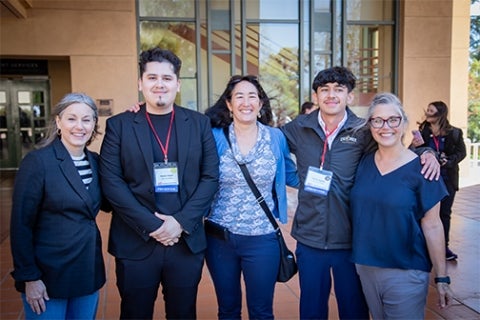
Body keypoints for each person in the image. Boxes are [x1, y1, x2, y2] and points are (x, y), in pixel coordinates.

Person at [280, 66, 440, 320]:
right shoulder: (298, 128)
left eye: (339, 90)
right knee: (311, 310)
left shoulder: (362, 130)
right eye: (325, 90)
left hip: (351, 241)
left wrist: (425, 154)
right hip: (309, 238)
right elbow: (267, 143)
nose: (331, 95)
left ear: (350, 97)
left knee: (353, 311)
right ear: (316, 96)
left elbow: (394, 148)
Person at [99, 47, 219, 319]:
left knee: (183, 313)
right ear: (141, 84)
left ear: (177, 84)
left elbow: (210, 176)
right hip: (135, 242)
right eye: (152, 77)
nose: (159, 84)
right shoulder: (120, 125)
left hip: (185, 241)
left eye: (167, 78)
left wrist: (179, 222)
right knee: (134, 313)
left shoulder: (199, 124)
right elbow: (111, 182)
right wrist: (154, 225)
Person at [350, 93, 454, 319]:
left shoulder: (424, 169)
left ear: (404, 123)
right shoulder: (364, 162)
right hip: (366, 267)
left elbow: (434, 225)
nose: (385, 126)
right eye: (377, 120)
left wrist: (442, 277)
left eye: (393, 119)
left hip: (406, 271)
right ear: (370, 125)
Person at [204, 75, 299, 319]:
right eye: (239, 96)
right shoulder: (214, 136)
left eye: (252, 96)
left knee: (262, 311)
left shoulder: (276, 138)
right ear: (229, 104)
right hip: (219, 238)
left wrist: (331, 179)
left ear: (260, 103)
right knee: (227, 310)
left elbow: (291, 175)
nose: (246, 102)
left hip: (262, 238)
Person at [10, 92, 107, 319]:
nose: (79, 126)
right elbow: (21, 225)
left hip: (86, 271)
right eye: (71, 118)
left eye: (87, 119)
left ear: (94, 125)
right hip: (47, 275)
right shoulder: (38, 162)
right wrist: (29, 277)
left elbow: (113, 202)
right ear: (58, 121)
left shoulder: (96, 161)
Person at [411, 101, 467, 260]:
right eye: (427, 110)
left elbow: (461, 153)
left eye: (431, 111)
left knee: (444, 214)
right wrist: (414, 146)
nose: (427, 113)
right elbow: (414, 152)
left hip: (447, 178)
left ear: (440, 114)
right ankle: (425, 246)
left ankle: (443, 248)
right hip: (427, 178)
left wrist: (447, 161)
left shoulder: (454, 133)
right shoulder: (423, 131)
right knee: (425, 213)